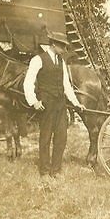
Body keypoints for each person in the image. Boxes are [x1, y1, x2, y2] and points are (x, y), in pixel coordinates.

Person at [23, 31, 85, 178]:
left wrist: (76, 103)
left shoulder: (61, 61)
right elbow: (28, 82)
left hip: (60, 105)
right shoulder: (38, 60)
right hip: (46, 104)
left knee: (61, 138)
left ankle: (55, 170)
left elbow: (66, 86)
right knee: (45, 138)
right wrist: (33, 102)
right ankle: (44, 171)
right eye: (62, 46)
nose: (64, 50)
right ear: (54, 44)